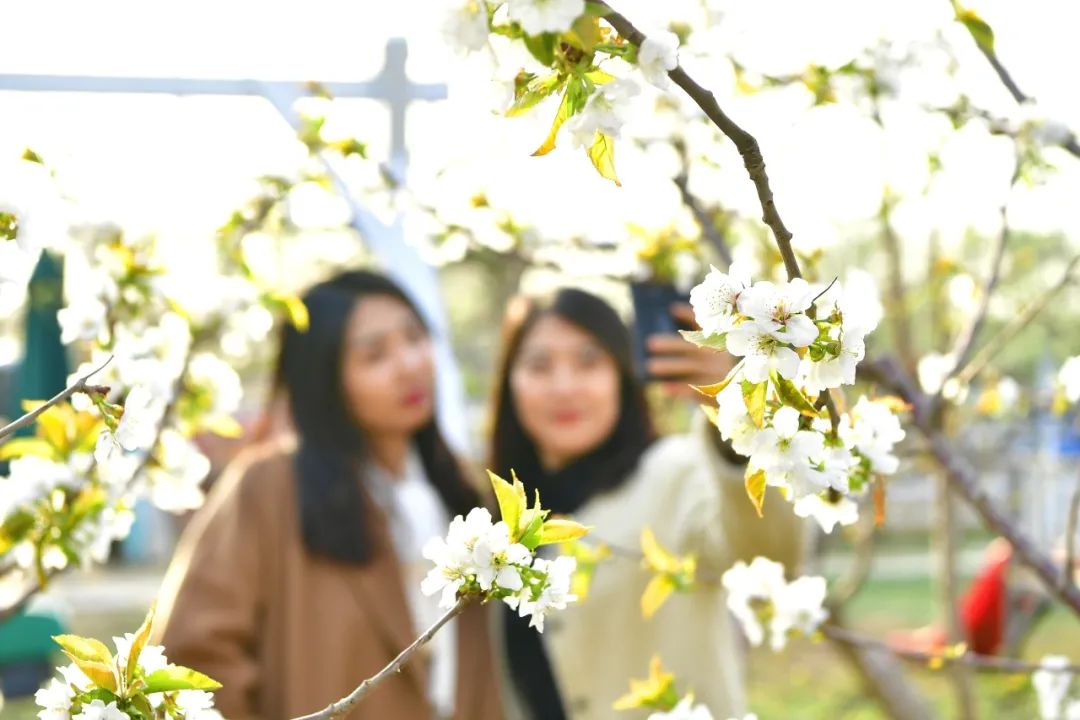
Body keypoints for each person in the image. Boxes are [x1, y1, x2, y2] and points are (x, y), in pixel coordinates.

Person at [153, 270, 501, 720]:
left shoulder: (460, 487)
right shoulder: (269, 488)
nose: (409, 365)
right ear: (324, 377)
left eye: (414, 338)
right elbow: (194, 658)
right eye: (375, 355)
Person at [488, 287, 806, 720]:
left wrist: (739, 418)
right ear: (509, 383)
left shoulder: (675, 473)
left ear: (622, 375)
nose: (564, 386)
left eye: (588, 361)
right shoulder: (494, 520)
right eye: (539, 365)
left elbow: (771, 552)